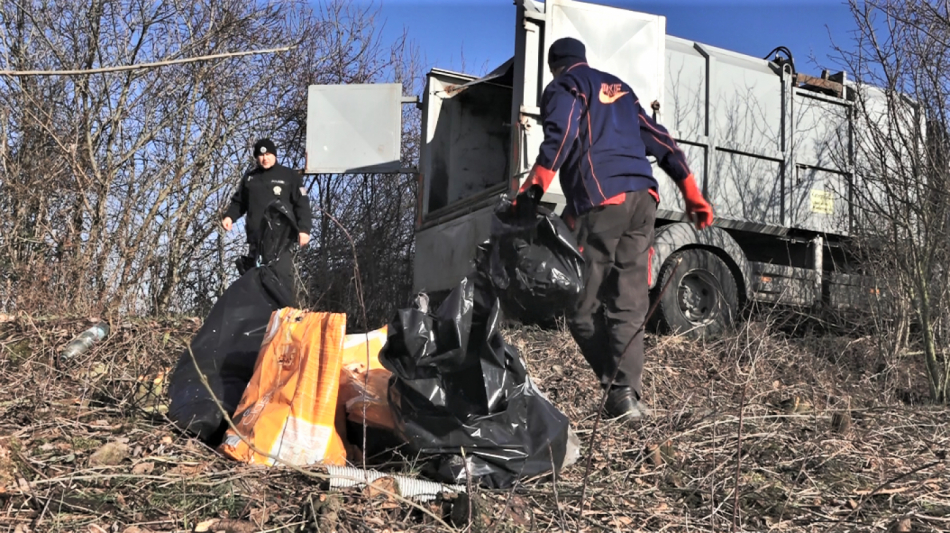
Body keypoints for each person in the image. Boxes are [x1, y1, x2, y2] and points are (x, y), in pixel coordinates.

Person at [515, 37, 714, 423]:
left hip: (602, 198)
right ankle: (626, 398)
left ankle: (616, 389)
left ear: (555, 66)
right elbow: (660, 140)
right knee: (629, 302)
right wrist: (691, 191)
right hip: (644, 200)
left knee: (580, 306)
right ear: (584, 58)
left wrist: (530, 191)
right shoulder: (618, 88)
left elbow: (563, 134)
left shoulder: (564, 86)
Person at [222, 138, 313, 274]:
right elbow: (239, 202)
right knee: (257, 284)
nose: (265, 158)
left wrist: (304, 229)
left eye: (268, 155)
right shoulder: (250, 178)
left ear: (275, 155)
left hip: (282, 240)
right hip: (256, 239)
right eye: (261, 155)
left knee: (279, 282)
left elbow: (302, 204)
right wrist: (229, 216)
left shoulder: (289, 176)